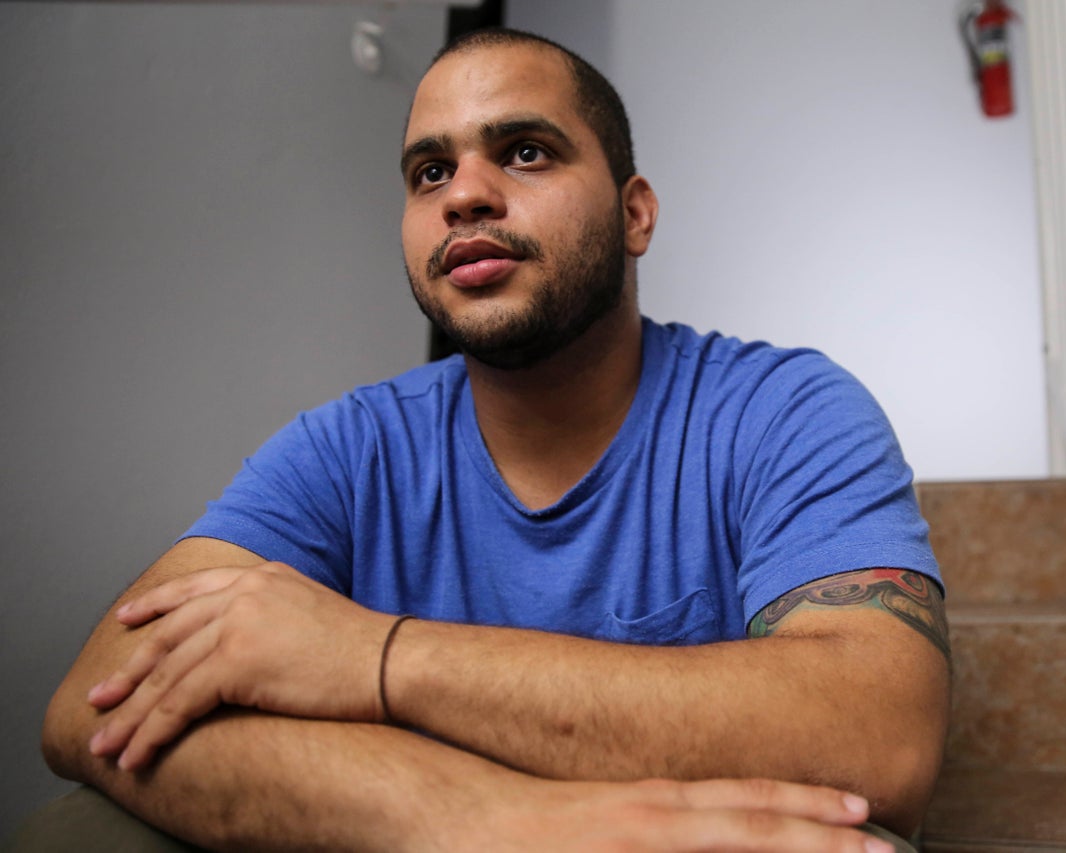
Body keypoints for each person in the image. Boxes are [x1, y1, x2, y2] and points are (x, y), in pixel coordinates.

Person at [34, 28, 949, 852]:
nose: (465, 194)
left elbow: (877, 736)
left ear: (635, 214)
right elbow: (93, 700)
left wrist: (372, 655)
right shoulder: (350, 447)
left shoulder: (786, 410)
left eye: (524, 151)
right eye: (429, 172)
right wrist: (476, 815)